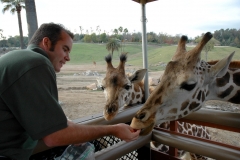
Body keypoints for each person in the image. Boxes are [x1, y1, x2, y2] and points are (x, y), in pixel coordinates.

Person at [0, 23, 140, 160]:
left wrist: (73, 130)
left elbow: (48, 122)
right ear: (47, 43)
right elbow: (54, 135)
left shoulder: (18, 58)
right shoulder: (37, 64)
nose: (68, 57)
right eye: (65, 49)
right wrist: (113, 130)